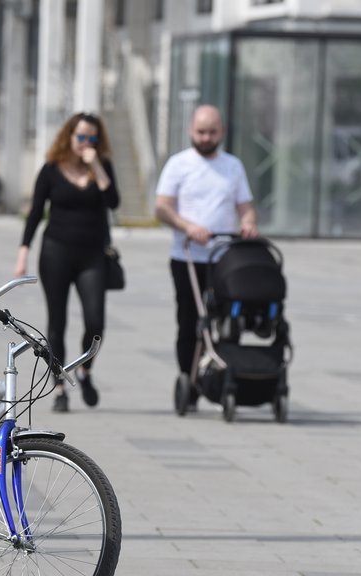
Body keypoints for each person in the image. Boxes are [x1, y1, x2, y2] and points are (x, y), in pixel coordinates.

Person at [14, 112, 120, 413]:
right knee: (57, 322)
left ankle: (85, 371)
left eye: (92, 138)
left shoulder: (103, 168)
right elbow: (35, 213)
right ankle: (60, 386)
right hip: (56, 251)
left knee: (95, 321)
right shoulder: (50, 169)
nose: (85, 143)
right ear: (69, 137)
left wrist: (96, 163)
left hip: (93, 255)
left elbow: (113, 202)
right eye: (81, 137)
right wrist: (23, 251)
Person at [155, 104, 258, 406]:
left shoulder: (232, 166)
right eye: (201, 131)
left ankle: (226, 374)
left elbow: (246, 206)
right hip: (187, 257)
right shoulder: (178, 164)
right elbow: (162, 207)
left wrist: (249, 223)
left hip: (225, 259)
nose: (206, 137)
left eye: (212, 132)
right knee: (190, 322)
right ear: (191, 130)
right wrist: (187, 226)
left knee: (230, 319)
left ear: (221, 132)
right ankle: (189, 379)